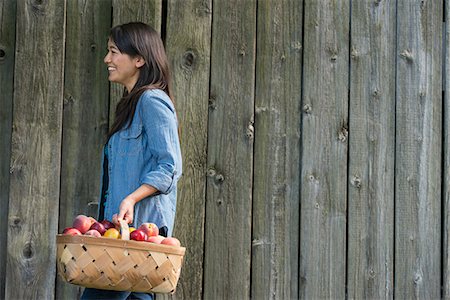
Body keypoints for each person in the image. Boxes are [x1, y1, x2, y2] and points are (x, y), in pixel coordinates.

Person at [81, 22, 182, 300]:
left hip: (133, 241)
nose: (107, 59)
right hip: (121, 239)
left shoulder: (152, 101)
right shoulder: (131, 106)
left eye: (114, 52)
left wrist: (131, 200)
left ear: (139, 59)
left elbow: (170, 167)